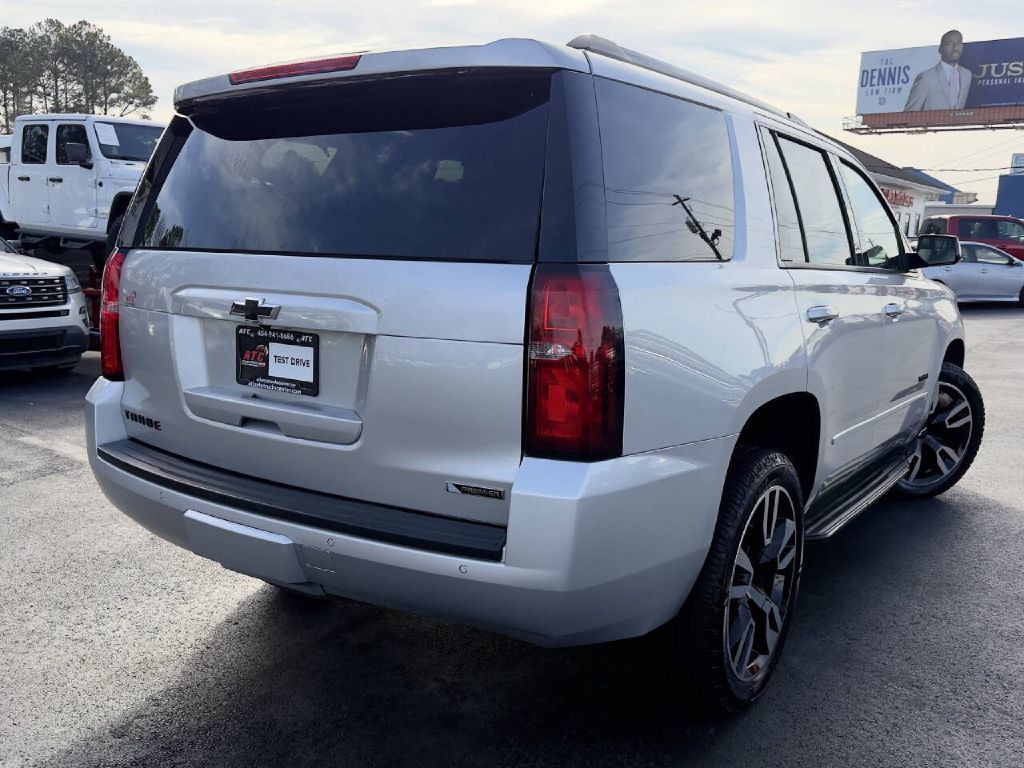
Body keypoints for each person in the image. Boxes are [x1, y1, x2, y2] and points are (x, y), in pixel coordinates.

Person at [904, 30, 972, 111]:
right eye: (950, 44)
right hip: (930, 123)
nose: (955, 48)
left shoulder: (967, 75)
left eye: (959, 43)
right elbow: (909, 113)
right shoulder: (926, 78)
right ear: (940, 49)